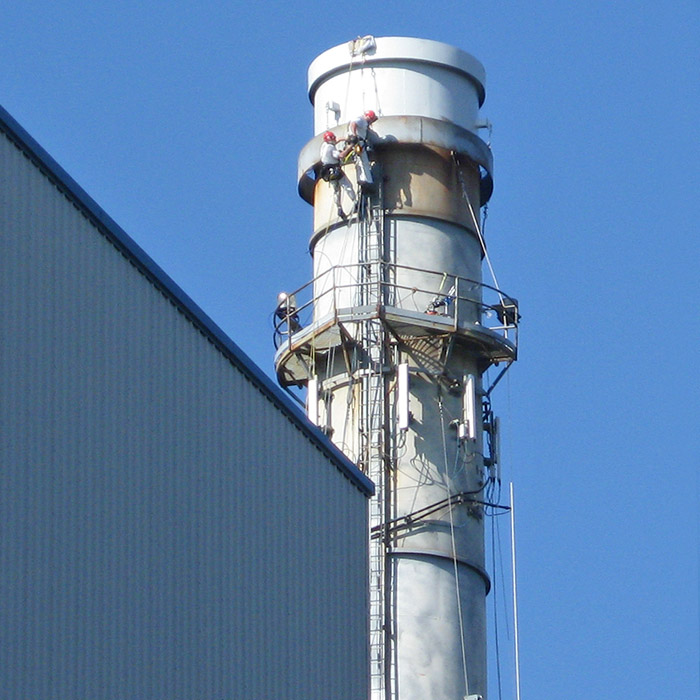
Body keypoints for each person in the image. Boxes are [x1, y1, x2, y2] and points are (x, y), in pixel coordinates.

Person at [319, 131, 356, 218]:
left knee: (336, 191)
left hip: (327, 172)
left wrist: (345, 138)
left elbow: (336, 141)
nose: (335, 139)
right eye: (333, 138)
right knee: (347, 185)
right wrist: (350, 147)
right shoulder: (331, 148)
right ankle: (355, 201)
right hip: (335, 170)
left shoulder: (324, 146)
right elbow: (341, 155)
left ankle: (339, 208)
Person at [346, 109, 378, 187]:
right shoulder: (361, 119)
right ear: (368, 116)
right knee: (363, 161)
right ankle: (366, 180)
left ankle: (365, 179)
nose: (371, 121)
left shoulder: (365, 122)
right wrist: (354, 135)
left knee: (362, 160)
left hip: (360, 141)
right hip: (358, 141)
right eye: (371, 119)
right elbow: (353, 124)